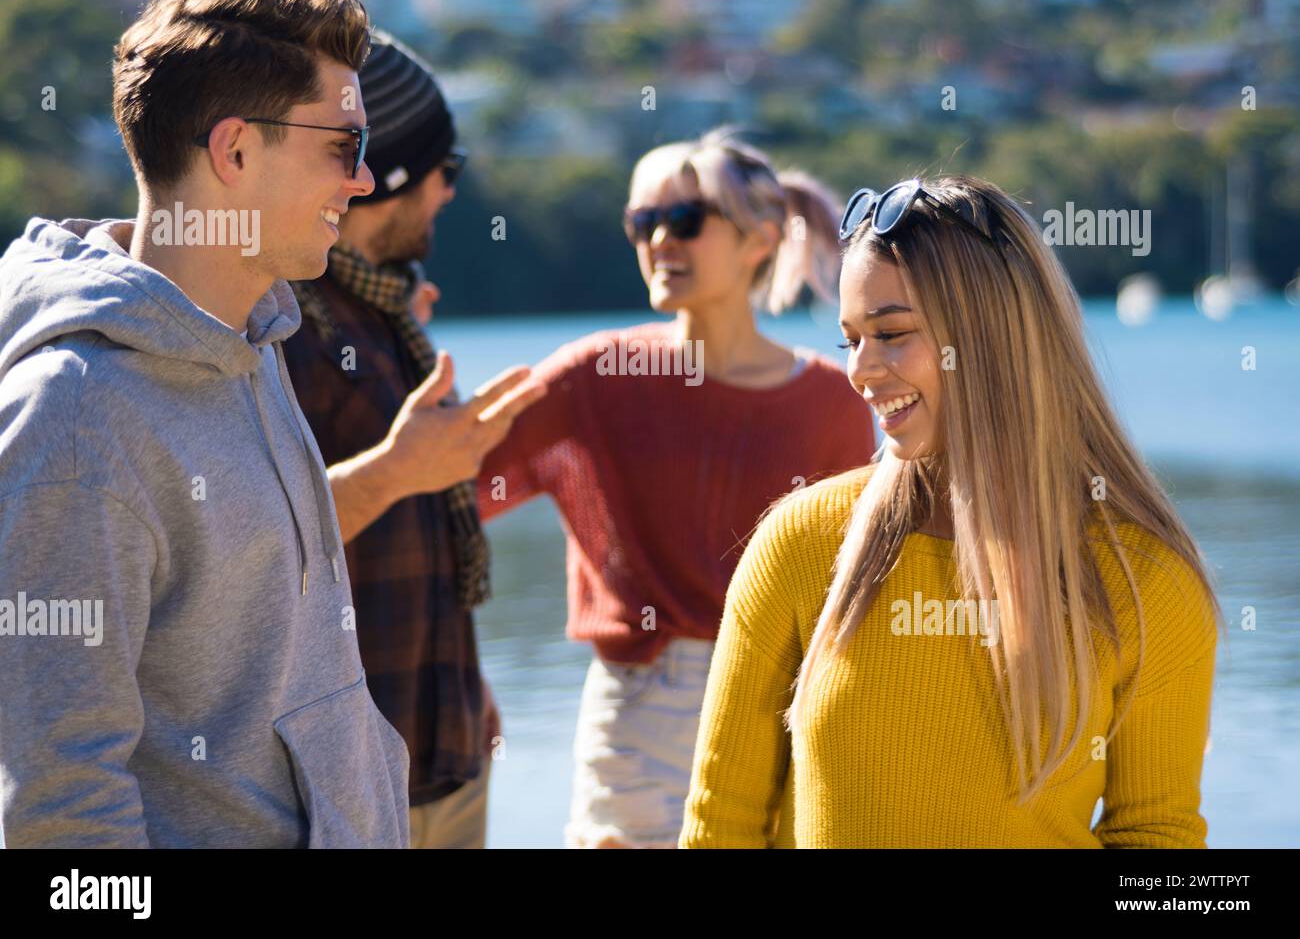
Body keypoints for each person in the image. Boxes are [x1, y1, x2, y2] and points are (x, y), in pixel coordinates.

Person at [680, 174, 1224, 848]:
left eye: (892, 333)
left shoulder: (1145, 580)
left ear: (990, 335)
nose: (859, 369)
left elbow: (1157, 839)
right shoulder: (800, 543)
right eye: (850, 339)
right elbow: (719, 824)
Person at [0, 0, 411, 848]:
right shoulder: (74, 417)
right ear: (234, 152)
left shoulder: (255, 338)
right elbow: (57, 808)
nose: (367, 178)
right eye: (344, 145)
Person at [477, 129, 876, 848]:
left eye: (686, 220)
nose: (661, 239)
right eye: (643, 223)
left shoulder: (834, 402)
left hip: (785, 702)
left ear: (760, 240)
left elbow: (854, 589)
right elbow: (445, 495)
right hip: (641, 711)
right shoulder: (596, 375)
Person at [281, 29, 544, 849]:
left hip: (442, 753)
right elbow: (244, 545)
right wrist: (397, 470)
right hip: (345, 784)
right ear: (388, 177)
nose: (450, 193)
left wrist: (467, 686)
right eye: (447, 170)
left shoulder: (387, 316)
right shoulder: (280, 323)